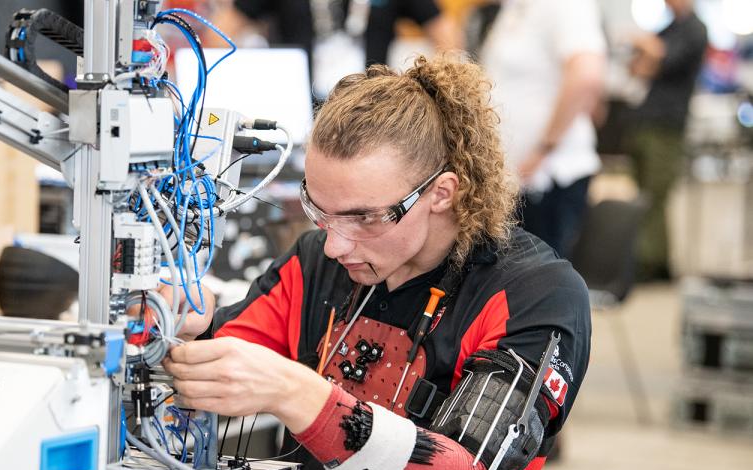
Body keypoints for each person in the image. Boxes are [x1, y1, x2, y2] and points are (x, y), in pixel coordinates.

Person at [163, 53, 591, 470]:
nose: (335, 246)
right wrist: (186, 317)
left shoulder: (535, 295)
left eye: (364, 217)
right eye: (318, 211)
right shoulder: (317, 262)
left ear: (442, 193)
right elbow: (231, 348)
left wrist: (295, 392)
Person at [479, 0, 607, 259]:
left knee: (542, 286)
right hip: (516, 182)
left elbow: (586, 76)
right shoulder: (516, 8)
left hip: (549, 178)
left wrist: (543, 148)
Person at [212, 0, 461, 97]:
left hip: (370, 103)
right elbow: (221, 31)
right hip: (300, 107)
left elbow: (443, 29)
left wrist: (435, 87)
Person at [628, 0, 707, 281]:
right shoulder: (669, 28)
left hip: (667, 126)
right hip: (647, 121)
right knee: (645, 194)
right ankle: (655, 260)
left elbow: (665, 58)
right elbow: (641, 68)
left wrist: (646, 45)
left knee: (655, 194)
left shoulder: (695, 29)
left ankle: (651, 262)